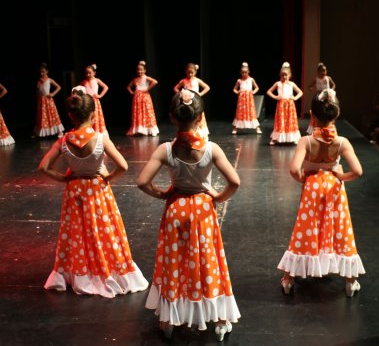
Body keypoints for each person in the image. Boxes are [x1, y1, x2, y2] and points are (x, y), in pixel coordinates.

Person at [137, 89, 241, 341]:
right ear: (201, 117)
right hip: (203, 211)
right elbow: (234, 182)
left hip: (176, 208)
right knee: (206, 262)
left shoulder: (166, 150)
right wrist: (217, 198)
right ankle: (217, 318)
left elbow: (142, 182)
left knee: (175, 263)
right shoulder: (211, 149)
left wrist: (162, 193)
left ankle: (170, 320)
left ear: (172, 117)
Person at [39, 87, 148, 298]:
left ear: (70, 116)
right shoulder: (100, 139)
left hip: (75, 190)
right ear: (93, 114)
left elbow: (43, 167)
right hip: (97, 190)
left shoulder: (64, 141)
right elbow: (123, 166)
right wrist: (107, 178)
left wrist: (62, 178)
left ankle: (80, 271)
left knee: (78, 232)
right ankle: (105, 267)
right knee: (103, 230)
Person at [277, 89, 365, 297]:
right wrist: (340, 177)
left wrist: (305, 179)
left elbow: (293, 168)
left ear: (312, 114)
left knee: (306, 228)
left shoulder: (306, 141)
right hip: (334, 187)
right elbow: (358, 171)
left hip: (312, 187)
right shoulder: (342, 142)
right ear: (336, 114)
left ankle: (289, 278)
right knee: (339, 229)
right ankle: (350, 281)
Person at [266, 62, 303, 145]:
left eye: (286, 75)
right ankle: (275, 138)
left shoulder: (292, 84)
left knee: (290, 121)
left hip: (290, 105)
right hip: (281, 106)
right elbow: (269, 91)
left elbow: (300, 92)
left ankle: (293, 138)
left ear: (290, 75)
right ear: (280, 75)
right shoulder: (278, 83)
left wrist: (295, 98)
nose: (284, 77)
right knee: (280, 121)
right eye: (282, 75)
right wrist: (275, 97)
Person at [173, 62, 210, 138]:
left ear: (195, 72)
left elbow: (207, 87)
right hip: (186, 102)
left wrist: (199, 94)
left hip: (195, 101)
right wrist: (182, 94)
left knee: (199, 115)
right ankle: (187, 130)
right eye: (188, 72)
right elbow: (175, 88)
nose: (190, 74)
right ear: (186, 71)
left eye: (192, 72)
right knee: (188, 115)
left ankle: (201, 132)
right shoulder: (183, 81)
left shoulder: (197, 80)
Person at [126, 60, 159, 136]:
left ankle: (148, 129)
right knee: (138, 112)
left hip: (145, 97)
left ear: (144, 70)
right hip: (137, 98)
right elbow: (128, 86)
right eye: (138, 69)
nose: (139, 71)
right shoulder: (135, 79)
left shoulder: (146, 78)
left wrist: (147, 89)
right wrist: (132, 92)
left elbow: (155, 82)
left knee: (146, 112)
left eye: (141, 69)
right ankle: (139, 129)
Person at [34, 63, 64, 138]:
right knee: (42, 116)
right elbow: (38, 91)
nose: (41, 73)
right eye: (40, 72)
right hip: (41, 101)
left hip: (48, 100)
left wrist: (53, 94)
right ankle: (40, 132)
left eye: (43, 72)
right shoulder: (39, 81)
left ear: (47, 71)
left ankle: (59, 131)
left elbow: (59, 87)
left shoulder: (49, 80)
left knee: (52, 115)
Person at [231, 62, 261, 134]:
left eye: (245, 72)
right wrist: (238, 92)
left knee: (251, 112)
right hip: (241, 99)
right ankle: (235, 128)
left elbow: (257, 87)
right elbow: (234, 89)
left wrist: (253, 92)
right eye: (242, 73)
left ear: (248, 72)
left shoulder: (251, 79)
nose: (244, 74)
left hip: (249, 99)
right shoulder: (239, 80)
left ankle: (257, 128)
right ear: (241, 73)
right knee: (239, 112)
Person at [307, 63, 336, 134]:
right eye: (321, 71)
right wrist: (313, 89)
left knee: (328, 110)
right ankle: (317, 126)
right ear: (318, 72)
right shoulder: (316, 79)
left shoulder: (328, 78)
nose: (323, 73)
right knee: (318, 111)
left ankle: (328, 126)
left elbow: (333, 85)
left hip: (327, 96)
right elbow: (309, 87)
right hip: (319, 96)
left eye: (324, 71)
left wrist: (331, 90)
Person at [80, 63, 109, 136]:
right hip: (87, 102)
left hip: (95, 101)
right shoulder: (84, 82)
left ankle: (97, 131)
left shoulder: (97, 80)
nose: (88, 74)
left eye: (90, 73)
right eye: (86, 73)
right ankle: (88, 131)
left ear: (94, 73)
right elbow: (79, 89)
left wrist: (100, 95)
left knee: (95, 116)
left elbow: (106, 87)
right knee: (88, 116)